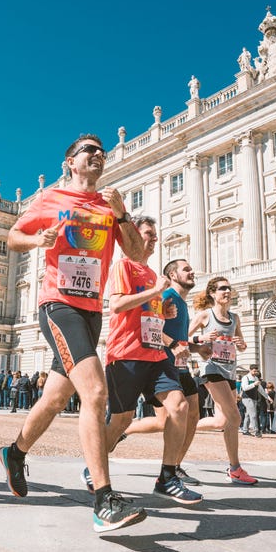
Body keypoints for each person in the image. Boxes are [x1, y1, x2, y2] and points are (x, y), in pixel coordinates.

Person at [0, 133, 148, 533]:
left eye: (102, 151)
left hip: (90, 311)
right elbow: (13, 237)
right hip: (57, 304)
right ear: (70, 162)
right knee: (95, 392)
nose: (98, 155)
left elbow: (136, 254)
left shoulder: (108, 204)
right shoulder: (50, 200)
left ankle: (15, 452)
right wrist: (36, 239)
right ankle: (104, 500)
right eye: (89, 151)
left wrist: (122, 215)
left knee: (54, 397)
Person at [81, 216, 202, 505]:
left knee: (179, 406)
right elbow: (118, 304)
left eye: (155, 234)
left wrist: (164, 313)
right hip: (126, 353)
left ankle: (168, 476)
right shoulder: (123, 266)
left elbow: (149, 314)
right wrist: (155, 292)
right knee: (121, 420)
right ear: (132, 237)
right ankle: (93, 466)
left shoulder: (150, 274)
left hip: (155, 353)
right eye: (148, 233)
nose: (154, 238)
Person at [122, 258, 204, 485]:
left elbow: (181, 338)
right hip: (162, 364)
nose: (192, 271)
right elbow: (149, 324)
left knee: (193, 415)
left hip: (180, 365)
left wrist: (198, 348)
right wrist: (172, 345)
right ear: (173, 275)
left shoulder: (183, 303)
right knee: (167, 419)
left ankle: (175, 466)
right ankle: (124, 430)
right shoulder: (167, 296)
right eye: (186, 269)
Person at [188, 277, 258, 485]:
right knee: (235, 417)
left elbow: (243, 346)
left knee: (221, 421)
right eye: (222, 288)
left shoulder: (235, 318)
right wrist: (202, 339)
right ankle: (235, 468)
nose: (227, 291)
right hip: (211, 369)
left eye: (229, 288)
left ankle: (184, 428)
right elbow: (182, 338)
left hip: (229, 371)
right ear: (212, 293)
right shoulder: (204, 316)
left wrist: (241, 343)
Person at [238, 365, 262, 437]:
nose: (255, 372)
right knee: (253, 415)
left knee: (248, 415)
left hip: (253, 398)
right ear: (250, 370)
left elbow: (260, 389)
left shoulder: (256, 378)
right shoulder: (245, 377)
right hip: (247, 398)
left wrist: (267, 397)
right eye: (254, 371)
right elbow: (245, 388)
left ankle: (245, 430)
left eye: (256, 371)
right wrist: (254, 384)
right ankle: (256, 432)